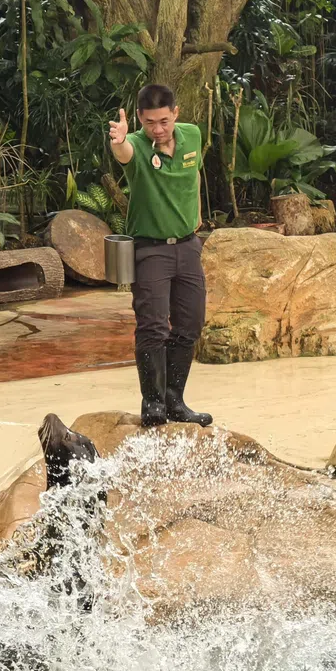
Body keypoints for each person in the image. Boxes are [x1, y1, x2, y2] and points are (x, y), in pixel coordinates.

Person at [109, 84, 212, 428]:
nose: (158, 128)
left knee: (191, 322)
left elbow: (195, 174)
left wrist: (195, 215)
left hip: (187, 245)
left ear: (176, 114)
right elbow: (123, 153)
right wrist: (120, 141)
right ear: (140, 118)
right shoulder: (136, 145)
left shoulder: (193, 136)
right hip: (151, 248)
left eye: (164, 121)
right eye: (150, 122)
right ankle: (152, 403)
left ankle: (175, 400)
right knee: (153, 325)